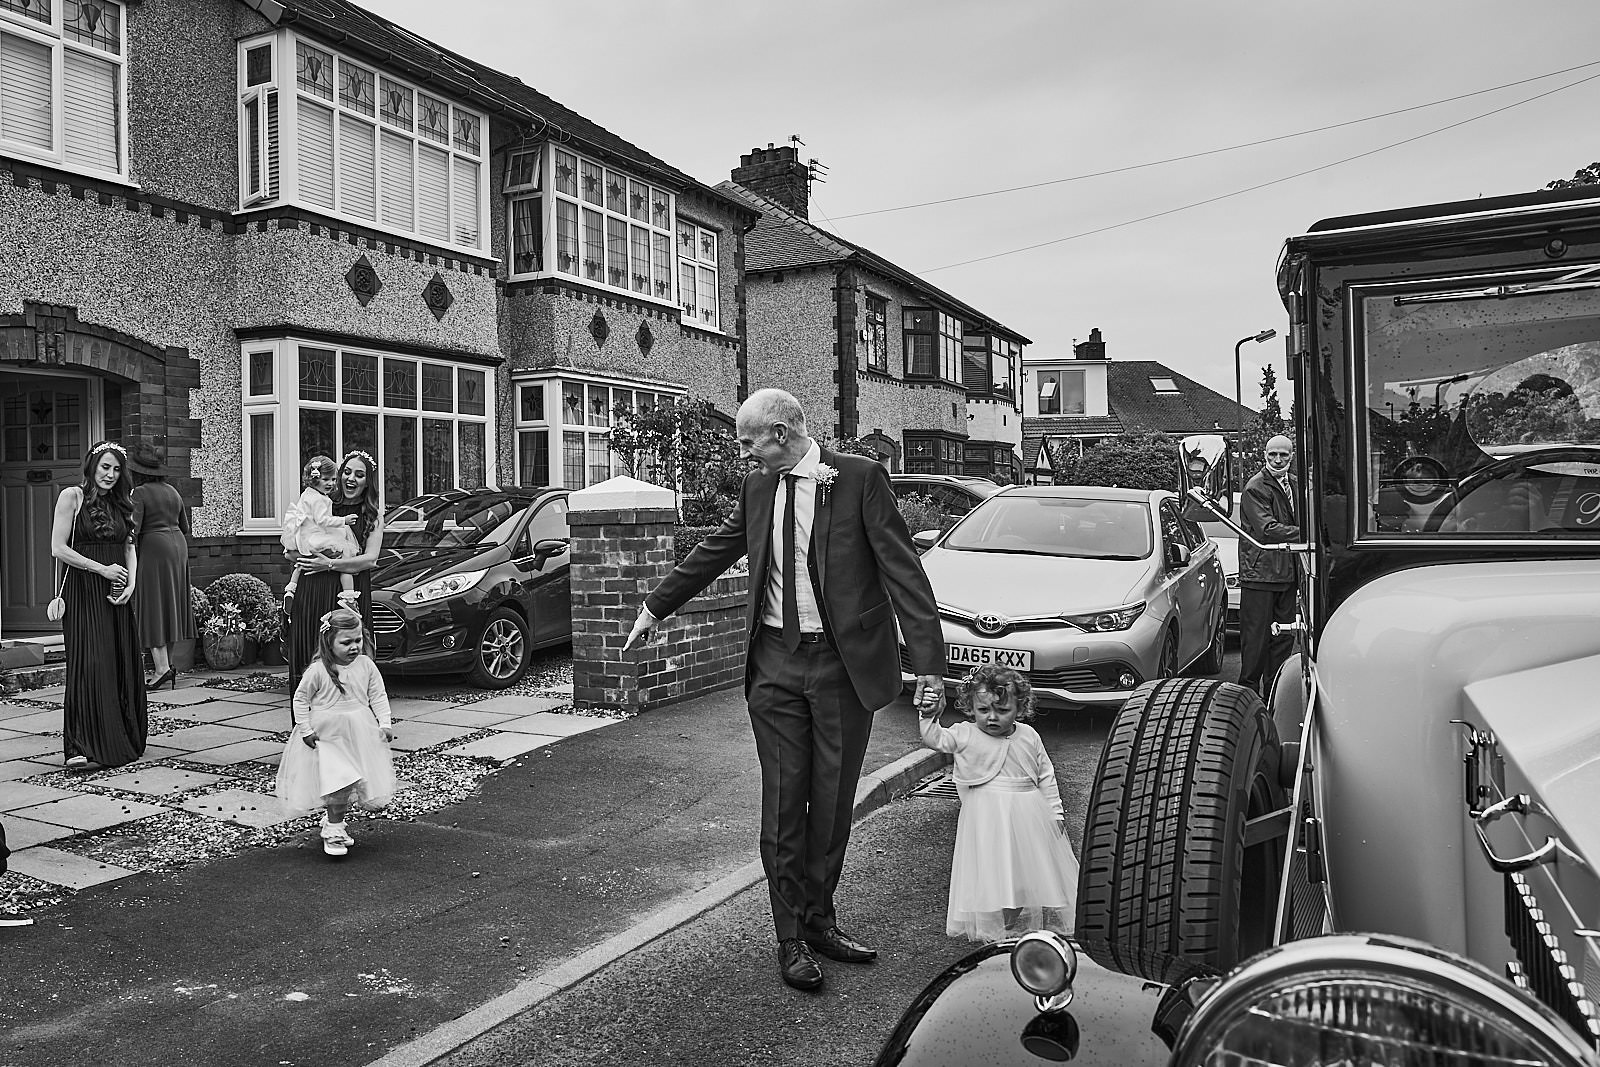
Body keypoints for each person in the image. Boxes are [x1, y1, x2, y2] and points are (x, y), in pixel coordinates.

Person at [625, 388, 946, 992]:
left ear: (781, 432)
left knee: (831, 804)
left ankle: (821, 919)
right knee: (783, 801)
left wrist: (928, 660)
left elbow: (904, 569)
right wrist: (654, 607)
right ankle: (788, 936)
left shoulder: (857, 479)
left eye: (749, 440)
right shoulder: (756, 488)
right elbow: (714, 551)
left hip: (843, 668)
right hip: (774, 663)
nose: (743, 451)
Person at [918, 665, 1078, 942]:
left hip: (1027, 816)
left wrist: (1055, 813)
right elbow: (936, 739)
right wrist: (928, 715)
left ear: (1020, 708)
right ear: (970, 707)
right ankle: (997, 927)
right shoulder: (965, 733)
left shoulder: (1029, 736)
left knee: (1020, 873)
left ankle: (1013, 921)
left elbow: (1045, 775)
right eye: (983, 711)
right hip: (986, 817)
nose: (992, 718)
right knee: (992, 870)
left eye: (1003, 711)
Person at [50, 441, 148, 770]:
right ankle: (78, 745)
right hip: (83, 589)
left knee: (117, 660)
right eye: (105, 466)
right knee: (89, 661)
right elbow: (58, 548)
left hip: (116, 591)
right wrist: (101, 569)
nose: (110, 474)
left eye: (117, 469)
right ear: (92, 465)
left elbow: (130, 546)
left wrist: (131, 583)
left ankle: (119, 737)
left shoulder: (122, 502)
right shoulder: (71, 497)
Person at [275, 608, 395, 857]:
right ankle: (334, 830)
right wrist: (305, 729)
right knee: (340, 781)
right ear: (329, 642)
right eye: (346, 642)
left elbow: (378, 695)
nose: (354, 647)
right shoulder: (318, 671)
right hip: (328, 736)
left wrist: (384, 723)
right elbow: (300, 699)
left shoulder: (366, 666)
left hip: (359, 732)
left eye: (358, 640)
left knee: (351, 781)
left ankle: (335, 819)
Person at [285, 450, 384, 695]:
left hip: (347, 596)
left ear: (367, 481)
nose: (351, 479)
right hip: (312, 591)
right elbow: (292, 551)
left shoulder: (372, 516)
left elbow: (370, 560)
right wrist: (307, 558)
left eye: (359, 475)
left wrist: (328, 565)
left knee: (347, 665)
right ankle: (305, 724)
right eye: (346, 472)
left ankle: (348, 727)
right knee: (308, 654)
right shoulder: (322, 504)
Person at [1238, 434, 1301, 697]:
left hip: (1287, 573)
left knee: (1283, 638)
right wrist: (1309, 534)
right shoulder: (1256, 487)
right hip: (1261, 574)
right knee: (1256, 639)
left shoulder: (1297, 484)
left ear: (1292, 455)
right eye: (1272, 454)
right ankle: (1247, 696)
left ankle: (1274, 693)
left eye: (1283, 455)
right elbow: (1267, 529)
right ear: (1264, 455)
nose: (1277, 459)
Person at [128, 440, 195, 690]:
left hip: (155, 549)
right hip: (178, 547)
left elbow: (132, 530)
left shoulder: (140, 493)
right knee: (172, 605)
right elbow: (185, 526)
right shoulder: (173, 491)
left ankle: (161, 669)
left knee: (154, 605)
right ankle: (167, 665)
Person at [280, 455, 361, 613]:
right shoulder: (319, 499)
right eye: (326, 479)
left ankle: (291, 590)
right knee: (345, 559)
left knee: (302, 563)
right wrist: (343, 520)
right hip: (316, 537)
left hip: (304, 537)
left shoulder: (307, 494)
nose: (330, 484)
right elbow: (323, 520)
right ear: (314, 479)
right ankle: (349, 598)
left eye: (333, 479)